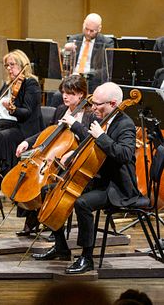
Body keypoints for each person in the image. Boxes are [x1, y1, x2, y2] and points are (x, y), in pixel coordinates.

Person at [32, 82, 141, 275]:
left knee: (82, 203)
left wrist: (101, 137)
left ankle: (86, 258)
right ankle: (61, 247)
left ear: (113, 103)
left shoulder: (126, 125)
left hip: (117, 187)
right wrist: (74, 152)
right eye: (93, 103)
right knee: (47, 190)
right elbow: (90, 145)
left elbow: (124, 155)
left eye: (98, 104)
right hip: (97, 179)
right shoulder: (103, 119)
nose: (93, 107)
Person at [14, 75, 94, 236]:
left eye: (70, 93)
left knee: (51, 186)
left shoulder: (90, 114)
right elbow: (47, 133)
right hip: (54, 157)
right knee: (30, 176)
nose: (65, 96)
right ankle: (33, 218)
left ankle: (53, 224)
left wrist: (74, 125)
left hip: (75, 162)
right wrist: (27, 142)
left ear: (81, 94)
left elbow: (90, 139)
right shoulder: (60, 110)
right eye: (64, 92)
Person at [0, 49, 42, 202]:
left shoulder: (30, 83)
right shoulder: (9, 83)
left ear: (22, 65)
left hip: (25, 129)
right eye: (7, 65)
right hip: (8, 124)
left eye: (12, 65)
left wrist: (12, 109)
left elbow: (26, 112)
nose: (9, 68)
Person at [64, 13, 114, 92]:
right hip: (73, 81)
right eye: (86, 29)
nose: (88, 33)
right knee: (57, 96)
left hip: (93, 82)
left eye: (92, 31)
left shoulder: (107, 43)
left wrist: (87, 74)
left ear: (99, 29)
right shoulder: (73, 39)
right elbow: (65, 65)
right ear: (83, 24)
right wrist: (66, 50)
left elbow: (107, 69)